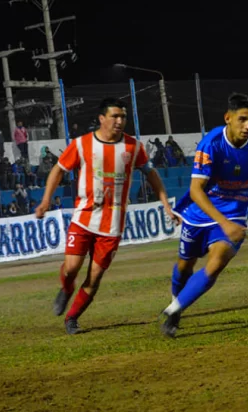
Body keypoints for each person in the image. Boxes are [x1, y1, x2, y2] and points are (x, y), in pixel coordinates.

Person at [35, 97, 179, 335]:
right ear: (102, 118)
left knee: (95, 276)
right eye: (115, 116)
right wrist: (45, 201)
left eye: (123, 117)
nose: (119, 121)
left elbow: (151, 174)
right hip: (83, 218)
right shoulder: (81, 144)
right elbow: (58, 170)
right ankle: (67, 288)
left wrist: (165, 204)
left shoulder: (133, 147)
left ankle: (72, 318)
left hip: (112, 225)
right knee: (71, 268)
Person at [160, 93, 248, 338]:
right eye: (242, 120)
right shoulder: (211, 144)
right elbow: (195, 190)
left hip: (234, 215)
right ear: (227, 118)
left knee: (216, 262)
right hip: (200, 215)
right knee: (185, 265)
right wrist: (223, 222)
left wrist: (229, 223)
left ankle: (174, 310)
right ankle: (176, 303)